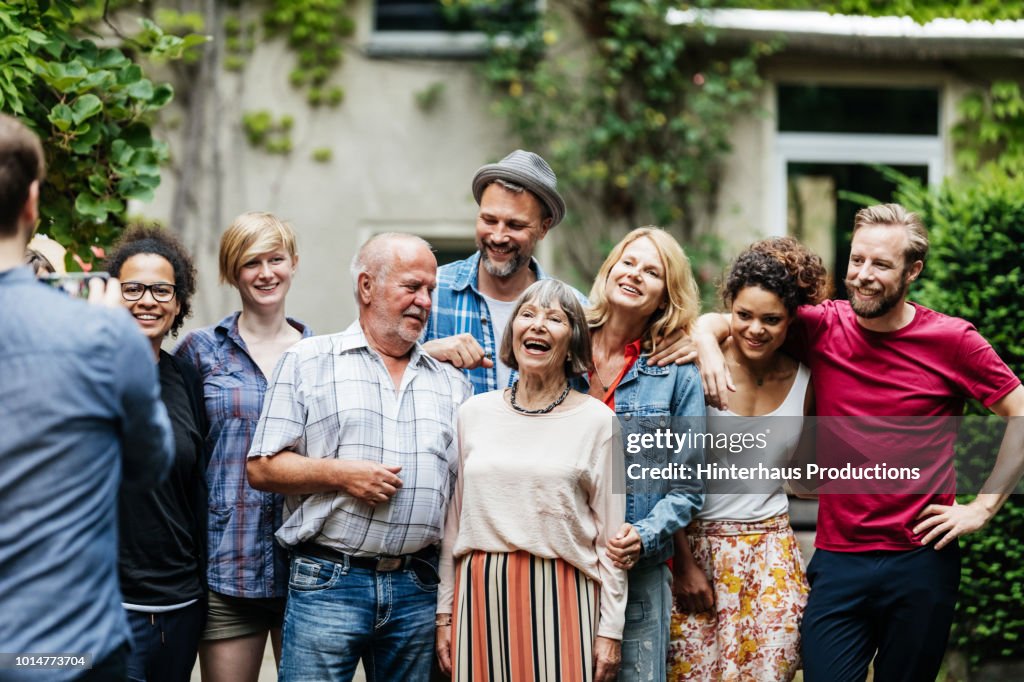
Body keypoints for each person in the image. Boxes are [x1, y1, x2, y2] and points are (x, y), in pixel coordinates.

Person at [693, 205, 1024, 682]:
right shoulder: (822, 326)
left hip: (921, 561)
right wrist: (705, 340)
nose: (863, 276)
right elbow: (740, 317)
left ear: (913, 271)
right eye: (857, 260)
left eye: (881, 265)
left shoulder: (953, 341)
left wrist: (982, 508)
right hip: (839, 559)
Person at [247, 233, 472, 682]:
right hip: (329, 580)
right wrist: (341, 475)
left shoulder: (451, 384)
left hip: (418, 587)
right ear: (367, 287)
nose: (425, 301)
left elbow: (457, 503)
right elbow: (262, 467)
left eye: (430, 290)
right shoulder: (309, 361)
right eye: (412, 287)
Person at [0, 114, 173, 679]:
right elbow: (151, 464)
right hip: (63, 650)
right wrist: (110, 334)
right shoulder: (101, 333)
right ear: (31, 203)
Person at [436, 279, 627, 682]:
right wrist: (445, 612)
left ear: (573, 341)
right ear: (513, 333)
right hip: (480, 594)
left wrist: (610, 630)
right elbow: (453, 525)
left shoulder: (598, 422)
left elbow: (611, 540)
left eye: (554, 318)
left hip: (565, 595)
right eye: (528, 314)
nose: (538, 325)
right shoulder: (473, 413)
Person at [668, 237, 830, 681]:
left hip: (772, 551)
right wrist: (683, 564)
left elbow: (802, 480)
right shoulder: (696, 366)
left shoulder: (805, 380)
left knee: (772, 671)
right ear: (729, 310)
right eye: (743, 316)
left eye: (771, 320)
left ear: (791, 320)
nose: (755, 329)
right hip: (699, 547)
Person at [173, 211, 311, 682]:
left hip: (307, 571)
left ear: (293, 263)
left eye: (276, 259)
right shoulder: (200, 352)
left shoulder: (320, 355)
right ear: (233, 271)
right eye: (252, 262)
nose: (266, 272)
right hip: (227, 565)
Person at [581, 227, 705, 681]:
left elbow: (687, 488)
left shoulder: (676, 373)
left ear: (665, 297)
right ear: (610, 269)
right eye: (628, 262)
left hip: (637, 572)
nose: (634, 274)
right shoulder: (565, 345)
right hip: (562, 562)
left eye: (652, 272)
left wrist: (645, 535)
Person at [106, 225, 208, 682]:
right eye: (133, 288)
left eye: (162, 290)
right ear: (111, 295)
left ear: (179, 303)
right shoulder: (86, 371)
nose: (147, 300)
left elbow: (195, 487)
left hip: (181, 604)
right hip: (108, 603)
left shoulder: (186, 378)